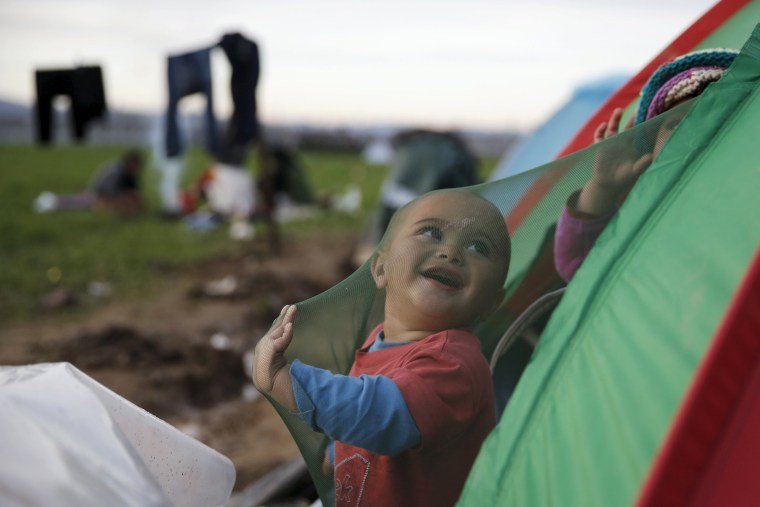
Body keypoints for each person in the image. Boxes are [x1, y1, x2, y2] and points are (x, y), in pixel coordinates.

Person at [252, 189, 511, 507]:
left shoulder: (455, 364)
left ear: (492, 302)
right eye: (431, 232)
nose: (451, 252)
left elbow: (379, 413)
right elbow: (364, 410)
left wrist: (281, 379)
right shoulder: (379, 340)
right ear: (379, 269)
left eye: (478, 246)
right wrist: (338, 451)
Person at [554, 48, 739, 282]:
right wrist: (603, 187)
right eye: (676, 124)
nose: (692, 133)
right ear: (652, 150)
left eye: (715, 119)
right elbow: (578, 265)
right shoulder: (644, 207)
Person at [33, 149, 145, 216]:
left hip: (102, 197)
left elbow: (135, 190)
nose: (137, 168)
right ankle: (48, 202)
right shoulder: (115, 171)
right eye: (135, 165)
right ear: (130, 163)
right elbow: (109, 192)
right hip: (96, 195)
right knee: (73, 204)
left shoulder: (130, 174)